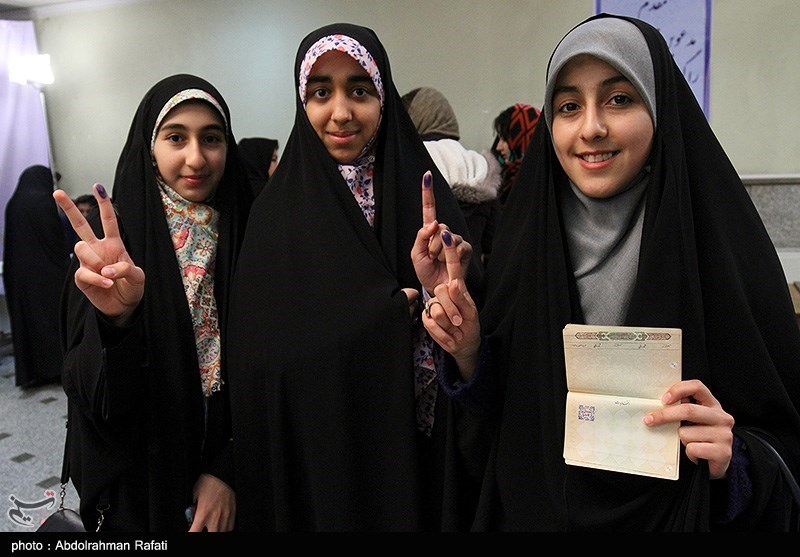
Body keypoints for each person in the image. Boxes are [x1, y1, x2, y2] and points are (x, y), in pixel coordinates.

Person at [420, 13, 800, 531]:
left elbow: (783, 441)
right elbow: (503, 425)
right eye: (569, 106)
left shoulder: (722, 252)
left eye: (620, 99)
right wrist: (468, 352)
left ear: (660, 107)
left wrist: (737, 462)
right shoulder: (527, 249)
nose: (591, 127)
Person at [226, 23, 482, 532]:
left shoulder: (429, 204)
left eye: (359, 90)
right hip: (325, 469)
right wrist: (384, 317)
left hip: (424, 465)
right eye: (321, 91)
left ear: (383, 98)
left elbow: (482, 353)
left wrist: (443, 300)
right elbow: (261, 365)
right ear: (302, 102)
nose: (340, 112)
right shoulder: (274, 217)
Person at [53, 74, 253, 532]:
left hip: (239, 481)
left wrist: (229, 468)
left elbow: (275, 370)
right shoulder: (109, 252)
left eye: (212, 139)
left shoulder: (251, 236)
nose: (196, 158)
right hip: (142, 493)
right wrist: (117, 321)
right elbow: (95, 399)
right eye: (176, 137)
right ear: (149, 146)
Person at [402, 86, 501, 267]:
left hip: (423, 282)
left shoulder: (410, 160)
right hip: (473, 281)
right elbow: (493, 241)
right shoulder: (479, 164)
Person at [2, 164, 71, 389]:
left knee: (27, 324)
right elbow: (54, 239)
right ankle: (56, 370)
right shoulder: (43, 201)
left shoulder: (14, 203)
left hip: (19, 276)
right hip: (47, 276)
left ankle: (33, 373)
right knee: (51, 323)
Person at [491, 103, 540, 206]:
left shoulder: (531, 188)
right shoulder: (506, 179)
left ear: (521, 139)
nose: (498, 147)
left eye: (505, 139)